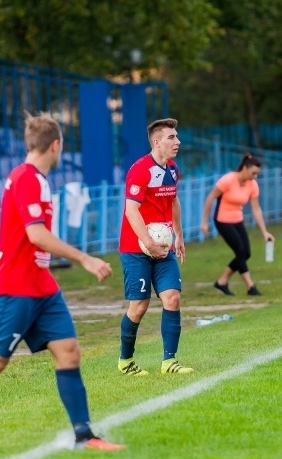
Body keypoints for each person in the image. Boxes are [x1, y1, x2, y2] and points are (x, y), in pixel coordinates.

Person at [0, 114, 124, 459]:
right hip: (16, 287)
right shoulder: (27, 179)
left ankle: (84, 434)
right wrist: (85, 259)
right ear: (56, 145)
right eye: (61, 145)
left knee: (68, 351)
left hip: (41, 286)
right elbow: (35, 235)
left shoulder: (35, 179)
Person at [117, 118, 193, 376]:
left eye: (177, 136)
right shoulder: (140, 170)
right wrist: (148, 243)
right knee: (139, 306)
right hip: (136, 249)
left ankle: (169, 362)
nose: (177, 141)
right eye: (172, 137)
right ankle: (125, 361)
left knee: (172, 298)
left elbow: (174, 202)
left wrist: (179, 236)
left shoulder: (173, 169)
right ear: (157, 141)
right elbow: (131, 211)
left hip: (164, 247)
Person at [200, 154, 274, 296]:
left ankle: (222, 282)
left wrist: (264, 232)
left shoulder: (252, 185)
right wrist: (204, 222)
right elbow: (210, 198)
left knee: (246, 253)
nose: (255, 177)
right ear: (245, 168)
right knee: (240, 251)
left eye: (257, 174)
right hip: (222, 220)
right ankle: (250, 286)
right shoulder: (228, 180)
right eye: (253, 173)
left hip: (237, 219)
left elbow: (256, 209)